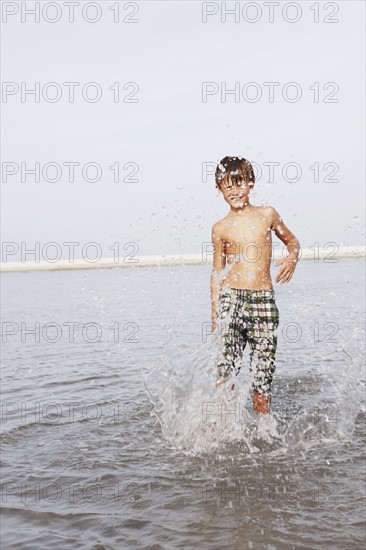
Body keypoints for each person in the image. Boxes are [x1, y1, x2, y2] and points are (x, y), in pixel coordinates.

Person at [210, 156, 300, 414]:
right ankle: (218, 431)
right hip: (231, 300)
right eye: (228, 187)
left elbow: (293, 242)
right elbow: (216, 272)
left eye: (239, 184)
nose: (235, 191)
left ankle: (263, 432)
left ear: (251, 183)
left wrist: (292, 258)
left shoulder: (267, 214)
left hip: (263, 299)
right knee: (225, 372)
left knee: (263, 376)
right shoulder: (220, 228)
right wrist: (216, 315)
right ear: (219, 190)